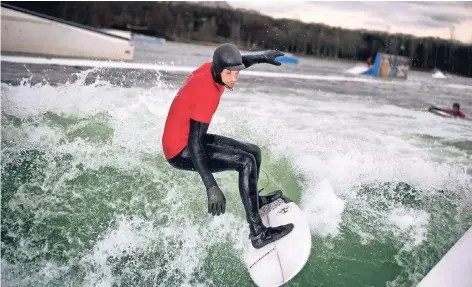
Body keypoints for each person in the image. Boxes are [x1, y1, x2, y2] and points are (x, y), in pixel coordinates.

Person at [161, 43, 294, 249]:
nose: (233, 78)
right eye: (229, 73)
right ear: (218, 69)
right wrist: (211, 186)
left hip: (187, 136)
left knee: (253, 151)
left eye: (236, 73)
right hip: (180, 149)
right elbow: (195, 144)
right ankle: (258, 233)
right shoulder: (206, 93)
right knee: (246, 162)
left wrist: (262, 57)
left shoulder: (213, 69)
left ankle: (255, 203)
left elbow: (237, 64)